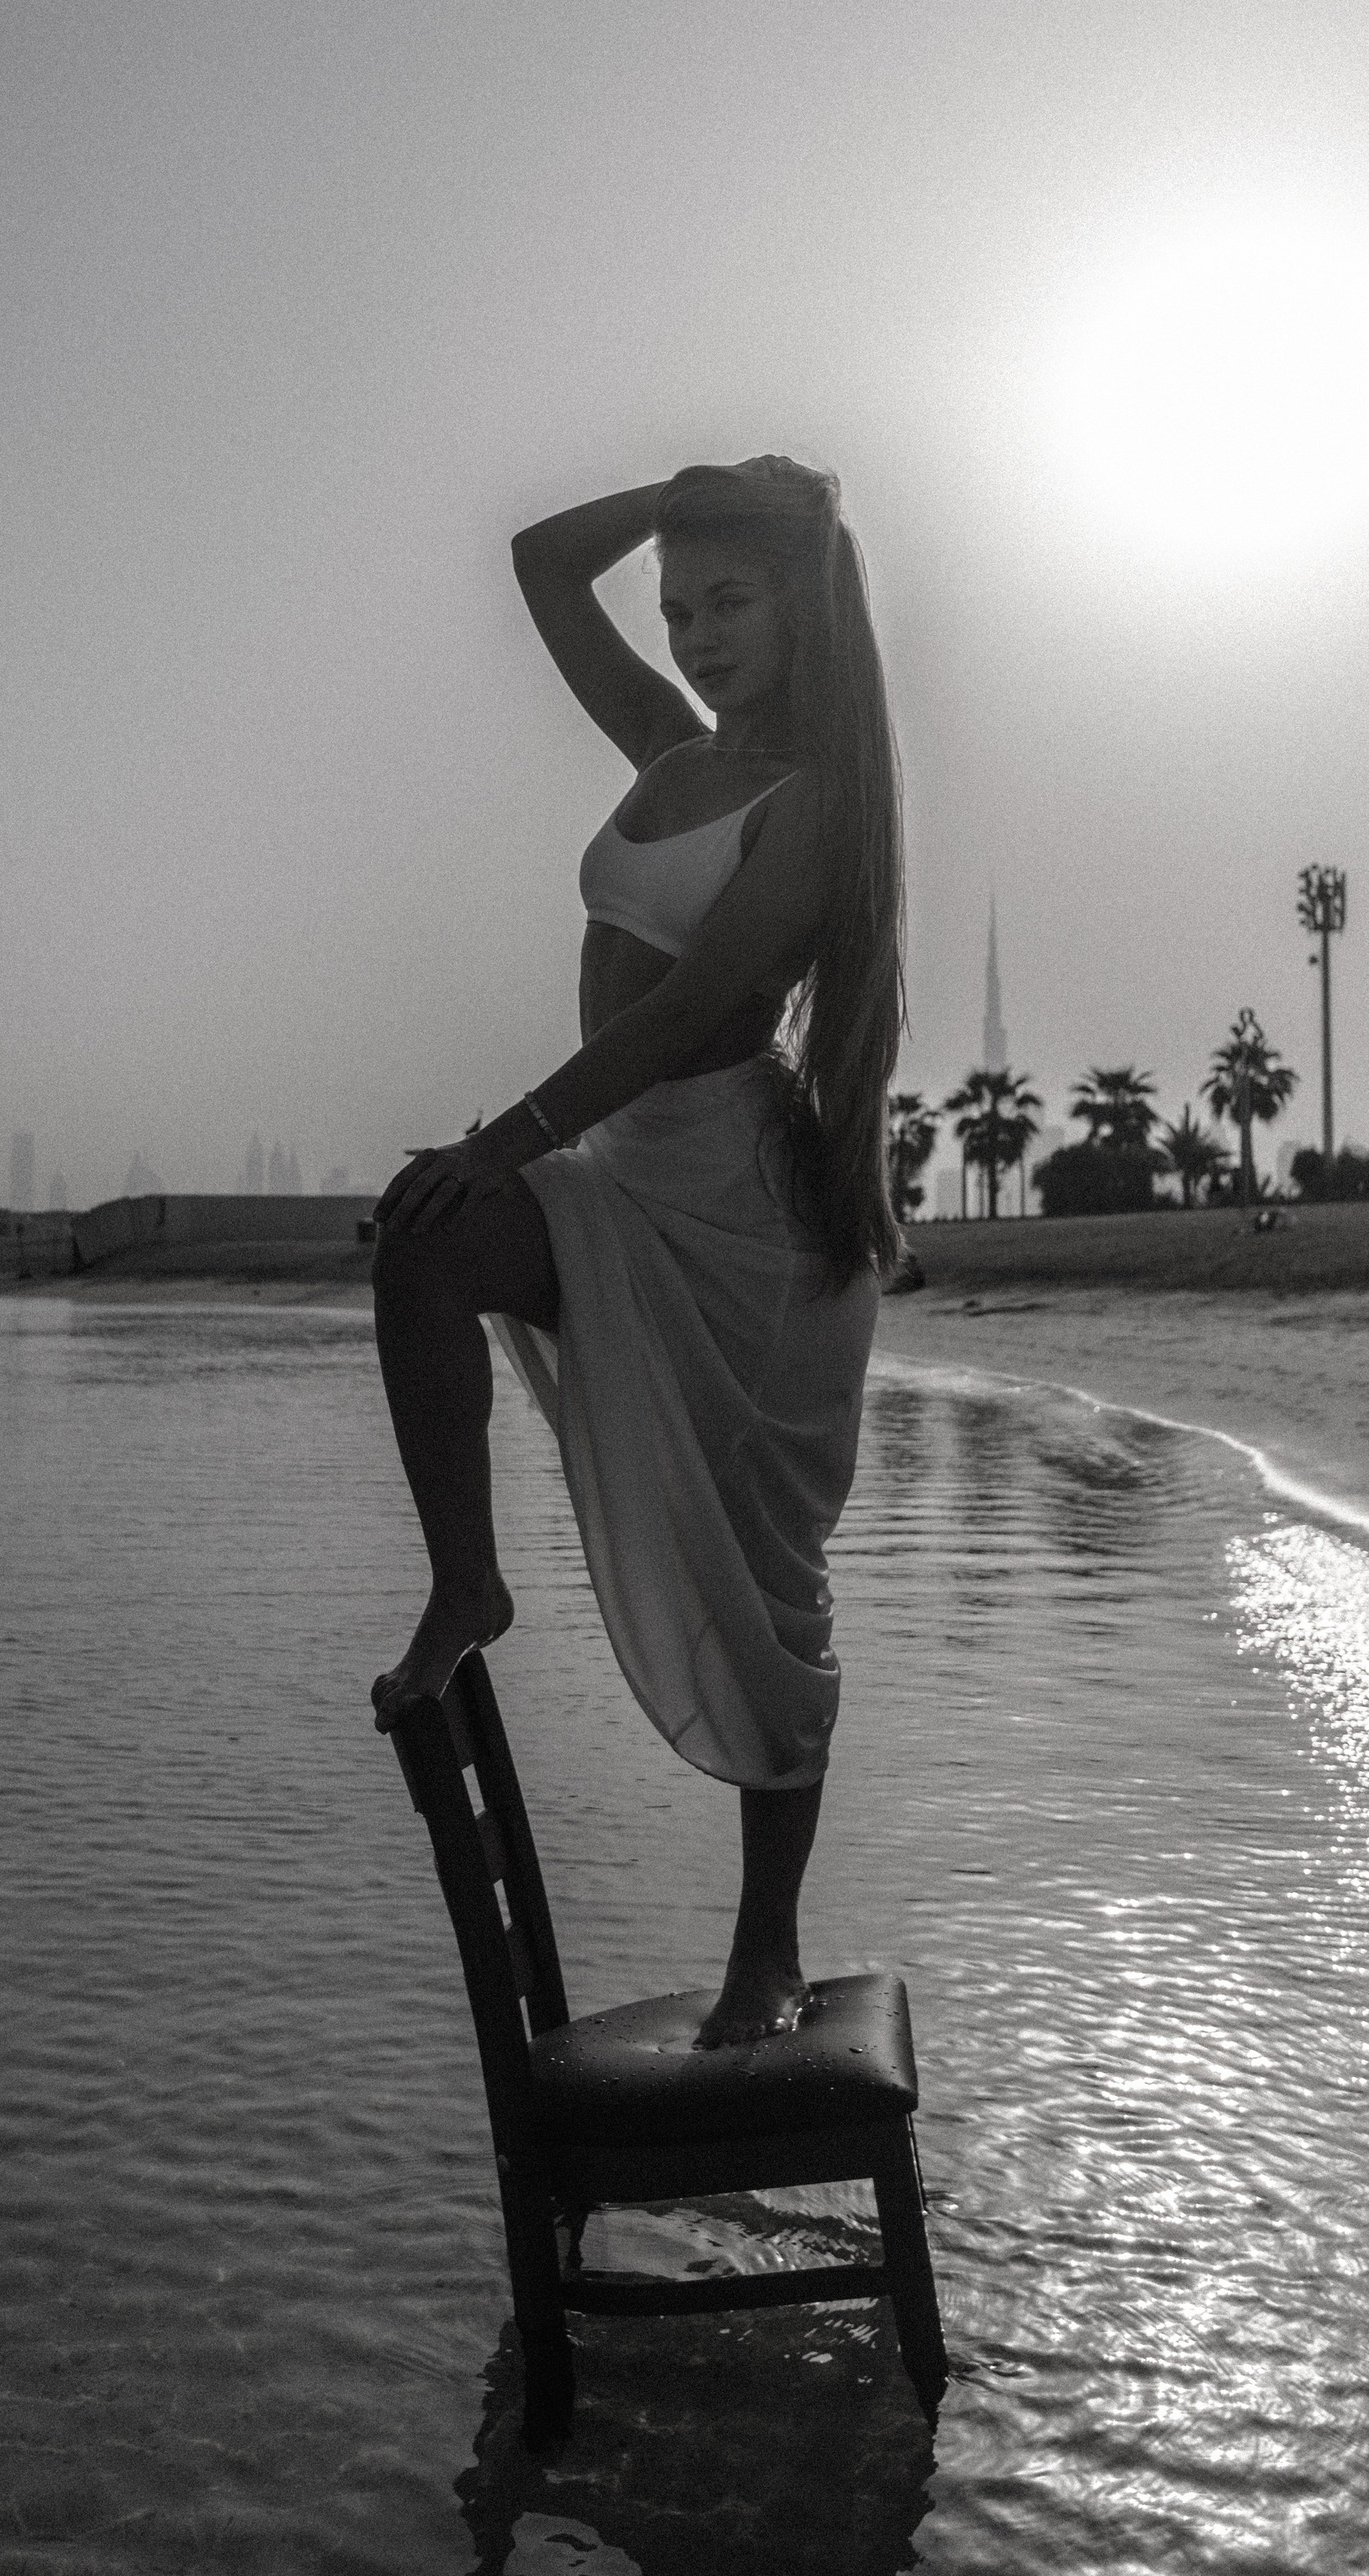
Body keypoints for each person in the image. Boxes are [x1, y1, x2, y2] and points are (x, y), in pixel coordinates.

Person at [369, 456, 906, 2046]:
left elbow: (683, 1013)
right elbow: (540, 564)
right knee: (420, 1248)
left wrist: (507, 1135)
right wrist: (672, 482)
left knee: (768, 1587)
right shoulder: (667, 747)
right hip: (620, 1175)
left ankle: (764, 1950)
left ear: (798, 606)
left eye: (727, 600)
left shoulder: (811, 806)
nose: (691, 634)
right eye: (676, 606)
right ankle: (468, 1584)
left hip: (746, 1217)